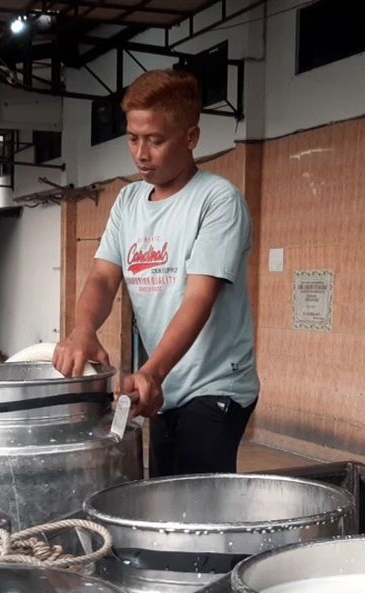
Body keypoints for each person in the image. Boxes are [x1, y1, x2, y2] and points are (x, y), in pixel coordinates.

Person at [53, 69, 259, 477]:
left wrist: (151, 371)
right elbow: (103, 277)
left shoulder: (218, 201)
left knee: (196, 509)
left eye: (156, 140)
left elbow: (199, 298)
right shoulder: (128, 201)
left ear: (191, 137)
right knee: (163, 496)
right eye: (133, 138)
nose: (141, 154)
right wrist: (83, 329)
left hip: (215, 386)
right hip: (164, 384)